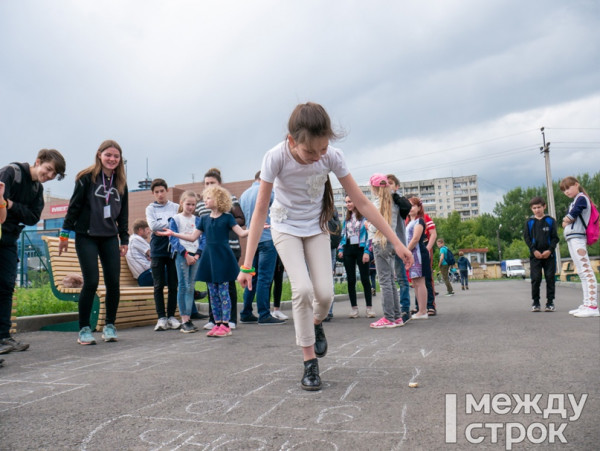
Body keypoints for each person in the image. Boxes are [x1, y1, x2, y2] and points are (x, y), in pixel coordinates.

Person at [238, 102, 413, 391]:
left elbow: (363, 202)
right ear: (292, 141)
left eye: (323, 150)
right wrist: (246, 264)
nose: (318, 157)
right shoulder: (275, 157)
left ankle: (315, 322)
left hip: (316, 227)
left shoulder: (332, 156)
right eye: (311, 152)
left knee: (325, 294)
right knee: (303, 290)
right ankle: (310, 363)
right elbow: (259, 211)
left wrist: (396, 243)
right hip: (285, 228)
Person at [59, 140, 128, 345]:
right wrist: (64, 235)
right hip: (86, 235)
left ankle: (109, 325)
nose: (112, 159)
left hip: (109, 237)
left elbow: (123, 214)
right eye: (108, 155)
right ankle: (84, 329)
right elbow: (74, 207)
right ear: (99, 155)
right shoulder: (86, 178)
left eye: (116, 156)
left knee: (113, 283)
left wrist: (124, 239)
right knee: (91, 282)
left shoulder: (121, 182)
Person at [0, 149, 66, 354]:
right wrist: (12, 206)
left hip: (9, 239)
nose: (47, 177)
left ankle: (3, 337)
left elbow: (33, 217)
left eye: (51, 176)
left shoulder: (37, 190)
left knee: (6, 286)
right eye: (46, 170)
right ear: (37, 162)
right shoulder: (11, 173)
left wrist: (11, 205)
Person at [161, 185, 248, 337]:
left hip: (223, 258)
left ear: (219, 200)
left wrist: (258, 228)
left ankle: (226, 325)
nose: (205, 200)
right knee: (213, 294)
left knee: (223, 293)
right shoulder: (204, 219)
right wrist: (174, 234)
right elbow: (193, 237)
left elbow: (242, 233)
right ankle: (217, 323)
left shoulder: (228, 217)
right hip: (209, 259)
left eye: (209, 197)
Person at [195, 168, 245, 330]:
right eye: (206, 184)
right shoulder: (203, 205)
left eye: (212, 183)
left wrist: (225, 223)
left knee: (228, 285)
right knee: (213, 287)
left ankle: (230, 319)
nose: (209, 186)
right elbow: (198, 227)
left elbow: (240, 219)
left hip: (229, 249)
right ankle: (214, 319)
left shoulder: (229, 200)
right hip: (211, 252)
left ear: (219, 185)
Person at [239, 171, 285, 325]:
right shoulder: (269, 192)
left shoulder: (244, 195)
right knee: (265, 278)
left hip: (253, 240)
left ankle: (246, 312)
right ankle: (264, 314)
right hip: (267, 238)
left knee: (252, 276)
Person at [146, 179, 182, 331]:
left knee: (173, 284)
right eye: (156, 192)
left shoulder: (176, 207)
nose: (160, 194)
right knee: (158, 284)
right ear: (153, 194)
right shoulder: (150, 209)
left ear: (167, 190)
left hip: (173, 247)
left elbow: (180, 224)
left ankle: (172, 316)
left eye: (162, 191)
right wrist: (171, 224)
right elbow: (153, 226)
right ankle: (161, 317)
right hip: (157, 249)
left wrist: (166, 227)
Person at [560, 176, 599, 318]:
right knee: (582, 272)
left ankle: (592, 305)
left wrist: (566, 220)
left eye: (569, 187)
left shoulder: (581, 198)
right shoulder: (576, 200)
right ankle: (587, 303)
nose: (567, 191)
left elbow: (570, 217)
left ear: (577, 184)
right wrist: (566, 220)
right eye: (564, 190)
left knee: (586, 271)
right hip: (573, 238)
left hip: (578, 238)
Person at [168, 191, 202, 333]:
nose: (190, 207)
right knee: (183, 285)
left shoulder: (198, 220)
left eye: (193, 205)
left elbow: (202, 238)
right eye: (188, 204)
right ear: (182, 203)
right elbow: (173, 239)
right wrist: (185, 253)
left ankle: (189, 317)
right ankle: (184, 319)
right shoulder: (175, 219)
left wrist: (198, 254)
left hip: (195, 254)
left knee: (191, 286)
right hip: (183, 254)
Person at [337, 195, 374, 318]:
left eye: (350, 201)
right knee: (351, 279)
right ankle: (354, 308)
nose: (348, 204)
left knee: (364, 278)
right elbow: (343, 234)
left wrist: (367, 252)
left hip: (360, 249)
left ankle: (369, 308)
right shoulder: (346, 219)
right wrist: (341, 248)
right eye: (346, 202)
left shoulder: (364, 218)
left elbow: (369, 235)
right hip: (348, 249)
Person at [523, 196, 559, 312]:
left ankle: (550, 302)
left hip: (549, 255)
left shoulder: (550, 220)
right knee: (536, 279)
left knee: (550, 278)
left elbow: (555, 238)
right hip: (535, 256)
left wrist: (550, 250)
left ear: (544, 206)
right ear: (531, 209)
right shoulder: (529, 222)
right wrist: (534, 251)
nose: (537, 210)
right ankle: (536, 302)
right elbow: (527, 238)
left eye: (539, 207)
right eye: (534, 208)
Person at [387, 174, 413, 323]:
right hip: (386, 244)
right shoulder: (382, 202)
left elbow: (406, 208)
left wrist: (394, 195)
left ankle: (405, 308)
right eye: (386, 184)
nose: (388, 186)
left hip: (399, 244)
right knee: (389, 278)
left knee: (402, 278)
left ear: (396, 186)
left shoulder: (399, 201)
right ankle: (393, 310)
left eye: (391, 183)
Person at [406, 197, 431, 319]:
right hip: (412, 255)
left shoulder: (419, 221)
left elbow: (415, 239)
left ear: (419, 208)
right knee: (415, 282)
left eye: (413, 205)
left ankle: (423, 310)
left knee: (420, 282)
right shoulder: (408, 222)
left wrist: (406, 251)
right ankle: (420, 310)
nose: (411, 208)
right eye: (409, 205)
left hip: (419, 254)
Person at [126, 219, 153, 287]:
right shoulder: (136, 239)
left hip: (147, 274)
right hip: (146, 276)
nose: (149, 231)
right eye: (147, 229)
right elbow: (154, 255)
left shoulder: (134, 239)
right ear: (140, 230)